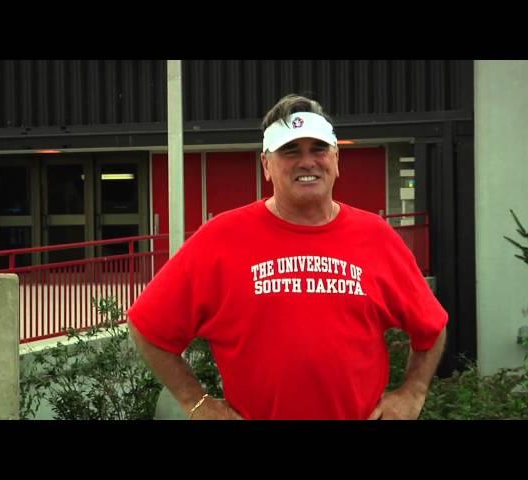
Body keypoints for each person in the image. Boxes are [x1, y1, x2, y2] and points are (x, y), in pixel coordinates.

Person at [128, 93, 448, 420]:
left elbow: (432, 328)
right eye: (290, 151)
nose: (307, 161)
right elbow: (147, 326)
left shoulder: (376, 236)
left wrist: (413, 392)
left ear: (336, 159)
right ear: (266, 165)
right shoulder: (221, 238)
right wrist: (197, 404)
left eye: (318, 149)